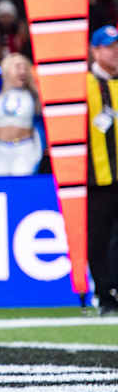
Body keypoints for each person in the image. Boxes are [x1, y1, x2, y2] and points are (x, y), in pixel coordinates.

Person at [86, 26, 118, 314]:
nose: (116, 50)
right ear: (95, 50)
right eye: (109, 46)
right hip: (95, 176)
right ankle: (104, 294)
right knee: (98, 237)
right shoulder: (80, 85)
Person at [0, 53, 43, 177]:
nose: (22, 71)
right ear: (7, 69)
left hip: (24, 148)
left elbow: (39, 122)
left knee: (22, 187)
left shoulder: (34, 95)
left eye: (25, 68)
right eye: (18, 67)